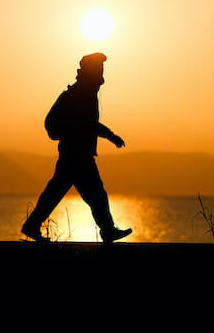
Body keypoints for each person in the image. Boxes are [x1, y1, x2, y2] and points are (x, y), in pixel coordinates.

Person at [21, 53, 132, 244]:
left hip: (75, 154)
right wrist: (111, 136)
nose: (101, 73)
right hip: (77, 155)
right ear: (92, 72)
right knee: (94, 194)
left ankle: (32, 225)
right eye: (99, 69)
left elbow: (88, 124)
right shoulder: (80, 94)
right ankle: (107, 230)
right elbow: (89, 124)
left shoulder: (84, 92)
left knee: (60, 192)